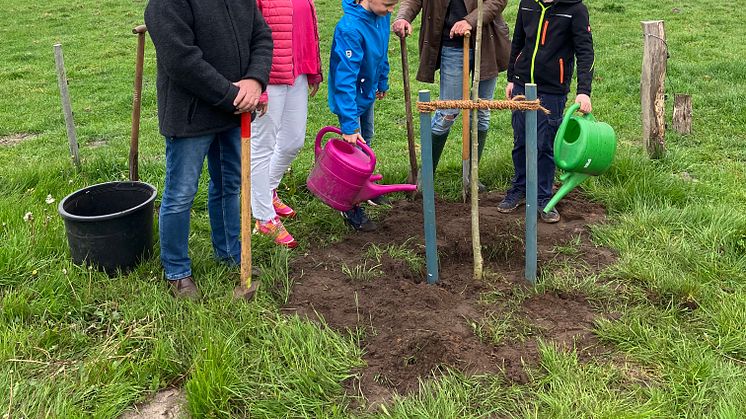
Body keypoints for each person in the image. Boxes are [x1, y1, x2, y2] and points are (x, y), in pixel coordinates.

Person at [144, 0, 273, 299]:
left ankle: (229, 254)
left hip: (233, 111)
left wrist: (254, 81)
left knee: (230, 184)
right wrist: (232, 95)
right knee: (181, 194)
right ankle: (177, 272)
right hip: (191, 115)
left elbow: (261, 36)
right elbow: (181, 60)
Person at [393, 0, 510, 191]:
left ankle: (471, 178)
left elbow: (497, 1)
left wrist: (470, 20)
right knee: (447, 112)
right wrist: (403, 17)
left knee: (481, 111)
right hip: (451, 47)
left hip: (487, 43)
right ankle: (424, 179)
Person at [498, 0, 594, 223]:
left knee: (545, 144)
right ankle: (519, 189)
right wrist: (512, 78)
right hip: (522, 85)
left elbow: (585, 51)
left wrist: (584, 91)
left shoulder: (575, 10)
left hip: (552, 89)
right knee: (520, 140)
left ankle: (543, 196)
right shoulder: (528, 4)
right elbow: (518, 41)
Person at [252, 0, 323, 248]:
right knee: (262, 147)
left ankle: (267, 191)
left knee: (293, 142)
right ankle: (263, 218)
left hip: (297, 73)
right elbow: (247, 34)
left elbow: (308, 29)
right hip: (268, 77)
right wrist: (255, 85)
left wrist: (313, 68)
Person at [328, 0, 398, 231]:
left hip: (367, 92)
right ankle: (349, 207)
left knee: (367, 139)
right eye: (388, 4)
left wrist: (382, 79)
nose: (391, 10)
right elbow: (344, 79)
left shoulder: (381, 17)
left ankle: (364, 187)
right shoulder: (349, 29)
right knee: (354, 152)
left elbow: (381, 52)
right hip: (351, 99)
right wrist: (349, 125)